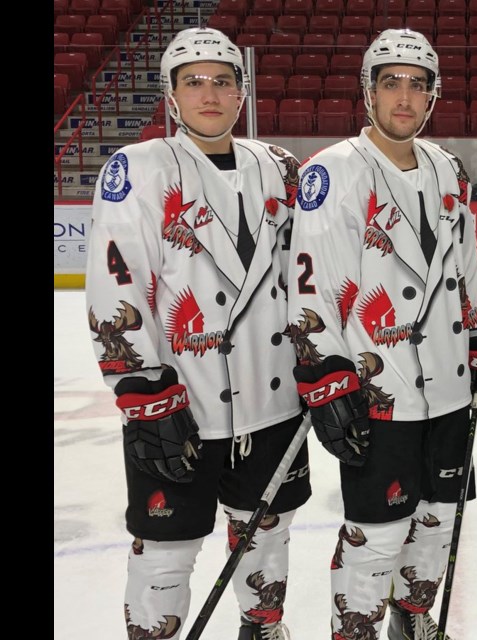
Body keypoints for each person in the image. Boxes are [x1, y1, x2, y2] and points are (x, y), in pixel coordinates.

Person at [85, 27, 309, 640]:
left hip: (273, 400)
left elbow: (309, 276)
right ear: (171, 95)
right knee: (165, 549)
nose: (209, 94)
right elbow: (116, 284)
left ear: (242, 93)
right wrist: (142, 394)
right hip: (182, 402)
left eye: (223, 80)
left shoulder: (280, 168)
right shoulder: (138, 168)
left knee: (267, 532)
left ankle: (262, 627)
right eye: (193, 81)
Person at [285, 28, 477, 640]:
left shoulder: (447, 169)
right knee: (375, 533)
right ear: (368, 92)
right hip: (378, 390)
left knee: (438, 520)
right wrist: (325, 377)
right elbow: (312, 290)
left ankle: (412, 618)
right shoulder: (333, 171)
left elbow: (465, 272)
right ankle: (354, 628)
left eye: (417, 85)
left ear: (433, 97)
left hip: (449, 388)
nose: (403, 98)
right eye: (391, 84)